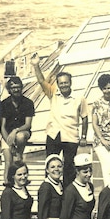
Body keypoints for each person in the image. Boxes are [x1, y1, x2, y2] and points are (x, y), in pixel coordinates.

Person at [33, 55, 89, 186]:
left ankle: (67, 197)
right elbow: (41, 81)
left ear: (70, 83)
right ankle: (51, 192)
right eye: (61, 83)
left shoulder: (79, 98)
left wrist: (84, 136)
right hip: (54, 134)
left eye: (66, 82)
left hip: (71, 136)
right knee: (51, 166)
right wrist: (36, 65)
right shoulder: (53, 93)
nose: (64, 85)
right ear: (58, 84)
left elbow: (85, 117)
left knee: (69, 168)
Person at [0, 76, 35, 180]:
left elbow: (28, 125)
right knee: (8, 162)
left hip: (22, 132)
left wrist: (15, 130)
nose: (16, 90)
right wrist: (10, 145)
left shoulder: (28, 103)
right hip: (7, 135)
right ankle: (7, 185)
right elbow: (2, 127)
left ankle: (19, 154)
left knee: (20, 136)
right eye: (13, 87)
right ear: (9, 89)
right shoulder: (4, 104)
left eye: (18, 87)